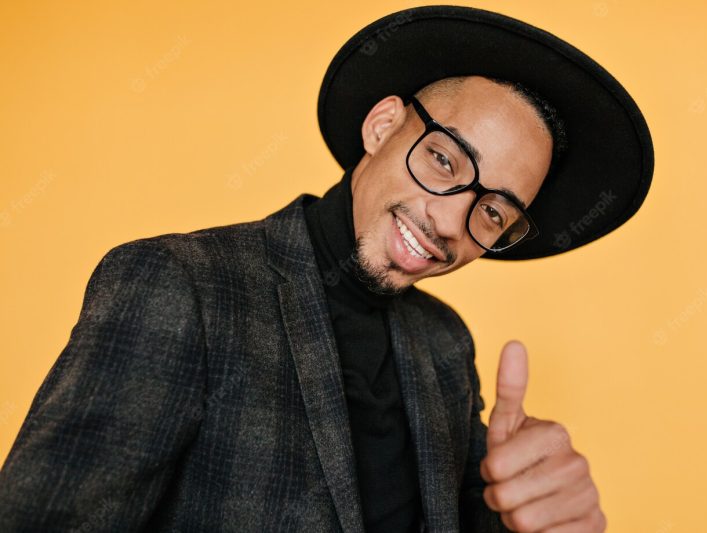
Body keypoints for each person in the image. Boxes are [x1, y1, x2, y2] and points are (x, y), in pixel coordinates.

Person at [0, 5, 653, 532]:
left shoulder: (445, 345)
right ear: (383, 126)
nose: (452, 224)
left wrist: (534, 516)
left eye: (493, 214)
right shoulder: (178, 285)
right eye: (447, 162)